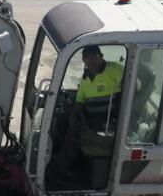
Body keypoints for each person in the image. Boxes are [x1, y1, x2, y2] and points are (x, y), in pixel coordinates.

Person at [49, 45, 124, 182]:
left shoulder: (113, 69)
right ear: (84, 61)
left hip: (105, 118)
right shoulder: (85, 78)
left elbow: (132, 86)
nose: (92, 62)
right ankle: (56, 156)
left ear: (101, 57)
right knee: (61, 120)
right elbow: (80, 100)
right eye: (88, 59)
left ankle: (60, 169)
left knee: (73, 134)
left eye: (95, 57)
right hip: (89, 114)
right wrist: (75, 113)